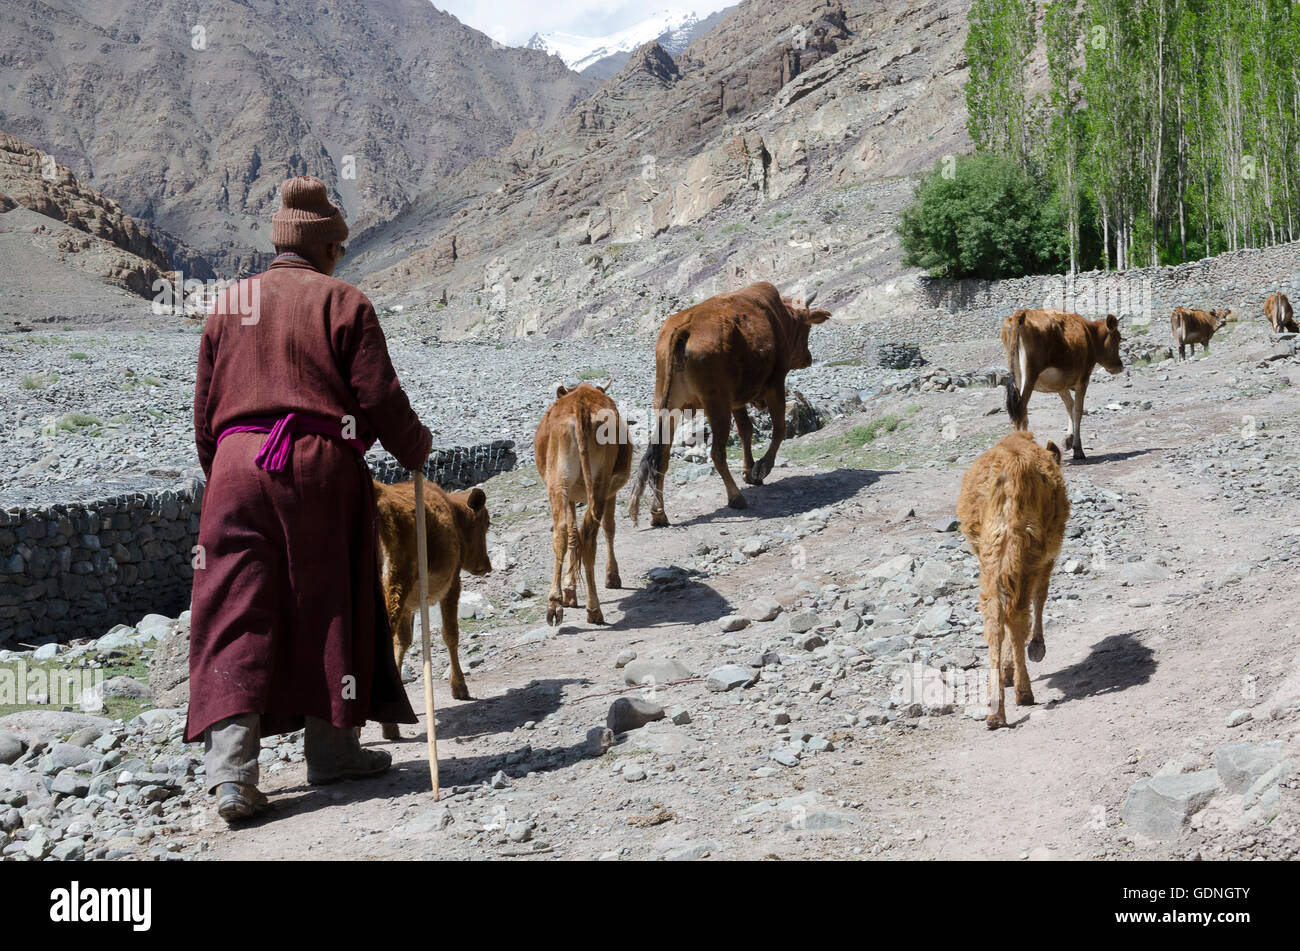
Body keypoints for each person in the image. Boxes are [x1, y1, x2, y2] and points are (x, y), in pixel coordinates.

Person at [189, 176, 431, 824]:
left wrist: (228, 478)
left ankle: (232, 777)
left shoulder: (228, 304)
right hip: (320, 471)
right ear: (326, 247)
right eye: (339, 247)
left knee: (234, 611)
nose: (340, 258)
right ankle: (332, 750)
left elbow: (206, 418)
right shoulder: (345, 302)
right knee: (330, 604)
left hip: (237, 470)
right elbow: (378, 397)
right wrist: (414, 447)